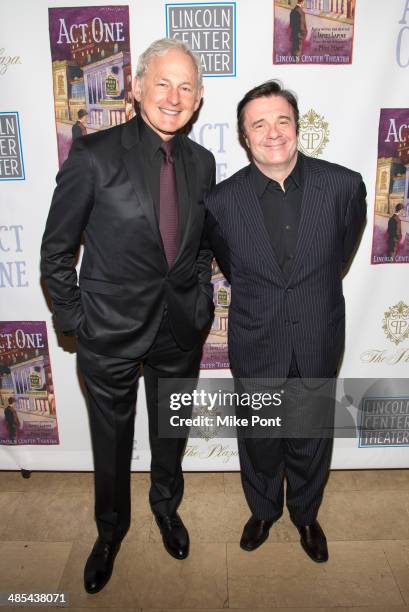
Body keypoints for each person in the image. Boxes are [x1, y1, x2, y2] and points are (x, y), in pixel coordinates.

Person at [41, 38, 215, 594]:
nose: (174, 96)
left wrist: (202, 299)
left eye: (186, 86)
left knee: (171, 432)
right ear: (136, 88)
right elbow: (55, 252)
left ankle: (166, 508)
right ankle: (110, 531)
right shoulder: (93, 155)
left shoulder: (202, 162)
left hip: (180, 330)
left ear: (199, 98)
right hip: (108, 334)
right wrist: (78, 323)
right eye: (162, 83)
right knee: (111, 443)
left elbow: (201, 245)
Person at [205, 80, 366, 563]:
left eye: (282, 120)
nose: (272, 132)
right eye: (259, 124)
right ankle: (262, 510)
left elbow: (342, 253)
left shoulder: (344, 186)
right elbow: (231, 266)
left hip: (317, 335)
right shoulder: (221, 202)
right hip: (257, 339)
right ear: (244, 136)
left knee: (311, 437)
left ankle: (305, 514)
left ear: (296, 127)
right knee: (259, 436)